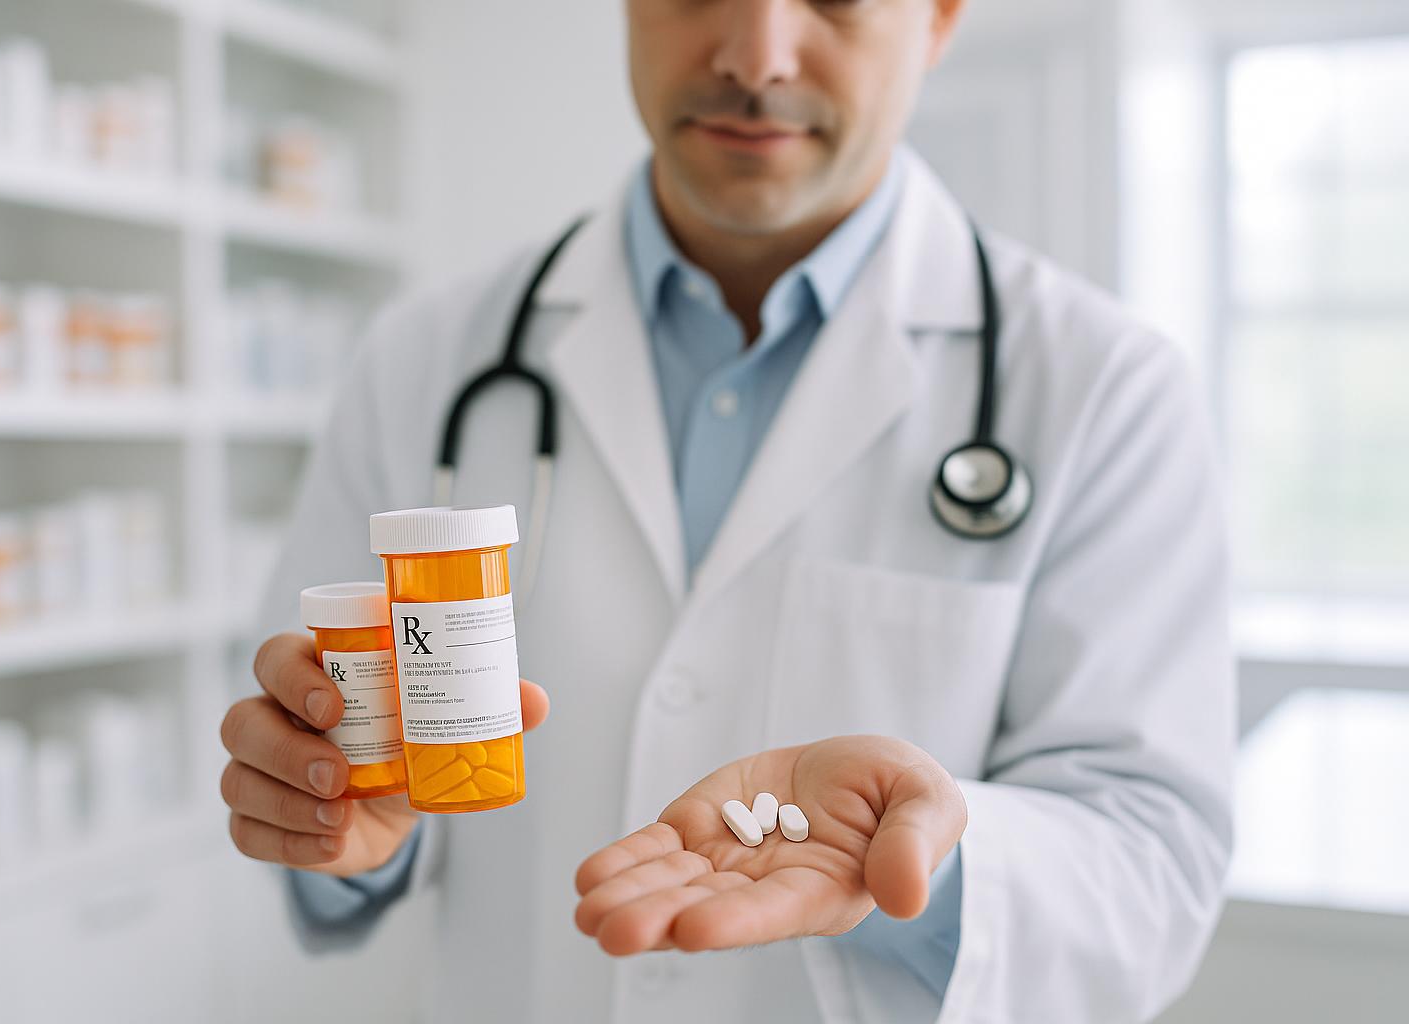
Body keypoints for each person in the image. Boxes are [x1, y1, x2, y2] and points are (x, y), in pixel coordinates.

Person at [218, 0, 1235, 1020]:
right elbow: (326, 784)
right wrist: (326, 810)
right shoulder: (428, 356)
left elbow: (1152, 858)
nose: (757, 57)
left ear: (936, 21)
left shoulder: (1104, 385)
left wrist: (919, 859)